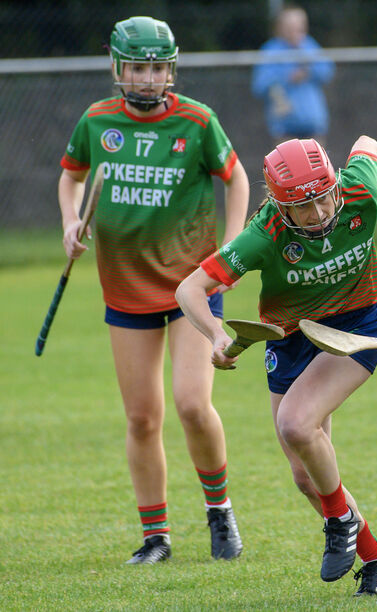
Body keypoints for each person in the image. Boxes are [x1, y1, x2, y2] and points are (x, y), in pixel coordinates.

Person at [176, 136, 377, 595]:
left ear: (334, 183)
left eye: (322, 196)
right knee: (305, 476)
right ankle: (376, 561)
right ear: (280, 205)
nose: (318, 212)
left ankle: (339, 522)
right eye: (302, 206)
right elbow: (189, 290)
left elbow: (370, 145)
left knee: (295, 423)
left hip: (355, 327)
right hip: (290, 340)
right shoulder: (264, 234)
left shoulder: (358, 190)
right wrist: (215, 335)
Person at [58, 16, 249, 565]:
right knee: (142, 418)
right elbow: (70, 175)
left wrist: (230, 251)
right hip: (125, 287)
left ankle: (219, 511)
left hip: (193, 285)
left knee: (192, 402)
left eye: (158, 68)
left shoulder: (198, 120)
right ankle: (156, 536)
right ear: (118, 67)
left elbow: (235, 178)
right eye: (138, 68)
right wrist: (71, 222)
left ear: (172, 68)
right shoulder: (97, 121)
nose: (147, 79)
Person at [251, 5, 335, 146]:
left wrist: (309, 71)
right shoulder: (271, 51)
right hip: (285, 126)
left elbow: (327, 70)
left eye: (299, 25)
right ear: (280, 27)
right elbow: (259, 85)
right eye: (290, 26)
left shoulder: (309, 45)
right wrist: (287, 78)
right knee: (289, 166)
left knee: (317, 166)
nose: (295, 30)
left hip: (313, 124)